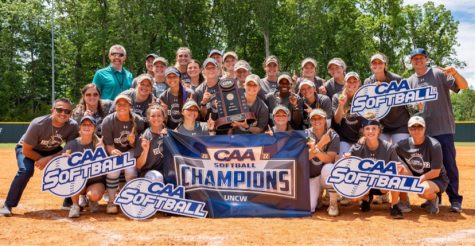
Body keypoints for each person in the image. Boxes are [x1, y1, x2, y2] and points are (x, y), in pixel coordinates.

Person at [407, 48, 468, 213]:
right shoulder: (410, 81)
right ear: (411, 62)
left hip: (443, 128)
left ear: (426, 59)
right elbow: (412, 108)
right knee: (428, 167)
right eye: (415, 58)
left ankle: (455, 199)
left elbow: (463, 86)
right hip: (423, 133)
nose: (418, 61)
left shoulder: (438, 74)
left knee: (448, 165)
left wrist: (455, 73)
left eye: (421, 58)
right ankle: (435, 197)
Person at [1, 98, 79, 217]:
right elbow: (26, 150)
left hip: (51, 150)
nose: (63, 113)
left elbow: (69, 148)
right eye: (59, 109)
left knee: (70, 164)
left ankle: (69, 202)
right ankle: (8, 205)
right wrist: (40, 159)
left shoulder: (72, 125)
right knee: (25, 171)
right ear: (52, 110)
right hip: (28, 149)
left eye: (67, 111)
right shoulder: (38, 124)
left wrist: (48, 159)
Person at [347, 119, 405, 219]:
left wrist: (399, 168)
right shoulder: (357, 148)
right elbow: (348, 168)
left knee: (398, 172)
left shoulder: (388, 147)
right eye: (367, 129)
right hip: (365, 184)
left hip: (382, 185)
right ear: (363, 131)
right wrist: (347, 159)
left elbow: (397, 167)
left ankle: (394, 205)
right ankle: (366, 199)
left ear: (379, 131)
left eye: (374, 128)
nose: (370, 131)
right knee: (353, 198)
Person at [396, 116, 449, 214]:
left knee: (422, 190)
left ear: (425, 128)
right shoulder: (401, 145)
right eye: (413, 128)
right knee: (398, 171)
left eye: (420, 127)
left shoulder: (434, 145)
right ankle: (404, 202)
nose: (416, 130)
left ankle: (433, 199)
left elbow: (436, 172)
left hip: (436, 178)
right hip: (417, 177)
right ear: (408, 130)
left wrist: (418, 181)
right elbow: (388, 151)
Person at [101, 94, 145, 214]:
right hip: (115, 149)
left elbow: (140, 144)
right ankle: (111, 201)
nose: (122, 107)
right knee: (113, 169)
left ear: (130, 106)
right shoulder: (108, 121)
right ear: (115, 106)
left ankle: (131, 200)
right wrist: (112, 151)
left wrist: (133, 142)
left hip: (130, 150)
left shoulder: (138, 121)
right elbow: (108, 144)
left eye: (125, 104)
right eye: (119, 104)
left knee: (130, 171)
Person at [64, 116, 105, 218]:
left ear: (94, 128)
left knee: (94, 195)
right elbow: (62, 165)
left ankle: (91, 200)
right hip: (79, 180)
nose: (87, 127)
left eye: (90, 125)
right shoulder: (72, 144)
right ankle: (75, 205)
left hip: (95, 180)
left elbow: (105, 166)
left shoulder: (99, 143)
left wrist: (102, 151)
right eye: (84, 125)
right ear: (80, 128)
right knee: (73, 179)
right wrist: (64, 159)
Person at [364, 53, 410, 144]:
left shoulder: (397, 79)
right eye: (374, 63)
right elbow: (367, 107)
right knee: (382, 153)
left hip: (400, 123)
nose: (377, 65)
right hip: (382, 125)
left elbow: (408, 99)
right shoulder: (368, 82)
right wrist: (372, 91)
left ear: (385, 64)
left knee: (401, 152)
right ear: (370, 66)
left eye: (380, 62)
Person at [305, 109, 340, 216]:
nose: (316, 121)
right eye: (313, 119)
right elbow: (305, 157)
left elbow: (329, 158)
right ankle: (318, 196)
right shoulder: (306, 134)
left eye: (319, 118)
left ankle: (333, 203)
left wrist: (314, 150)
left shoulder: (333, 135)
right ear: (310, 121)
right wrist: (321, 144)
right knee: (309, 207)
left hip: (325, 176)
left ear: (325, 119)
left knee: (329, 168)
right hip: (312, 176)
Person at [332, 72, 365, 156]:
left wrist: (363, 136)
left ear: (359, 82)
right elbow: (337, 120)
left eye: (355, 81)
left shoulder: (364, 96)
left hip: (360, 137)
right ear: (344, 82)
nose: (352, 84)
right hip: (344, 139)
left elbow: (370, 118)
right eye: (349, 81)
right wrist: (341, 105)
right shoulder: (337, 96)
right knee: (343, 161)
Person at [135, 105, 168, 182]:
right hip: (149, 173)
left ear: (164, 118)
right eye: (153, 116)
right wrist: (145, 151)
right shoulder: (144, 137)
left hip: (166, 171)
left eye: (159, 115)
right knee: (158, 177)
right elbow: (138, 166)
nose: (156, 118)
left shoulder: (168, 134)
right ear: (148, 119)